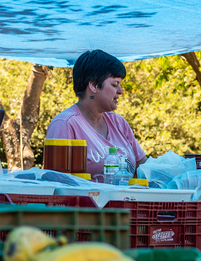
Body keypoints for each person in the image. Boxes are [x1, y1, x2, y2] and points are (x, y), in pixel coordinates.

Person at [45, 49, 146, 180]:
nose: (120, 91)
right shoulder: (65, 124)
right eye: (115, 84)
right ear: (93, 85)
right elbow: (56, 183)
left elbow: (144, 169)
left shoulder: (119, 123)